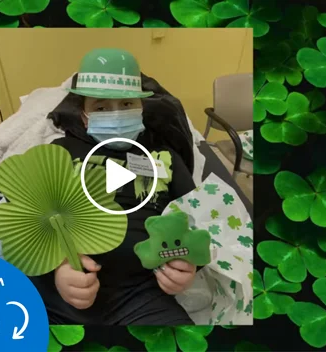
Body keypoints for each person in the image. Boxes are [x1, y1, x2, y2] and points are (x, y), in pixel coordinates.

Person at [25, 48, 199, 325]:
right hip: (56, 293)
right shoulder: (59, 152)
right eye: (101, 108)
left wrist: (188, 267)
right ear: (84, 114)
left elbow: (199, 220)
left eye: (127, 104)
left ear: (142, 108)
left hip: (141, 294)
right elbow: (25, 217)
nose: (116, 115)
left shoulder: (165, 156)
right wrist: (56, 267)